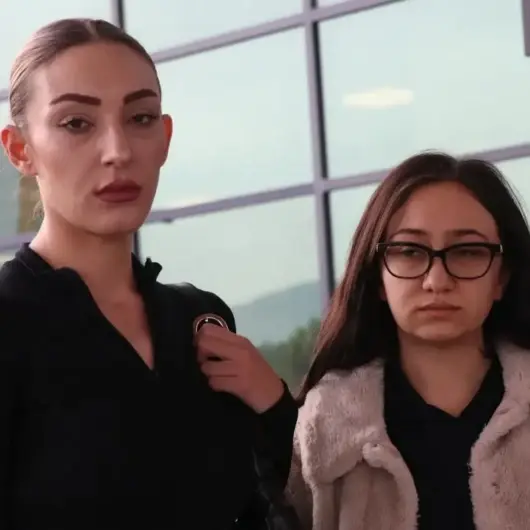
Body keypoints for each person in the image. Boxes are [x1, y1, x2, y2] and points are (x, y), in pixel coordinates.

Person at [0, 18, 297, 530]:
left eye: (140, 118)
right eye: (77, 123)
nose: (118, 151)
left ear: (164, 138)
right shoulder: (10, 327)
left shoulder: (201, 321)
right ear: (20, 150)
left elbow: (270, 503)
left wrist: (274, 406)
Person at [287, 152, 530, 530]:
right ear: (378, 278)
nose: (437, 281)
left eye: (467, 252)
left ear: (502, 277)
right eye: (410, 252)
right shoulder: (324, 425)